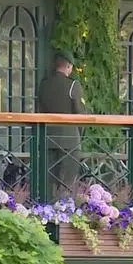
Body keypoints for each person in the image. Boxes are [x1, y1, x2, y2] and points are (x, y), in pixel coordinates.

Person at [36, 51, 86, 200]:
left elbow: (40, 110)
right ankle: (65, 212)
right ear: (69, 66)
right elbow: (81, 114)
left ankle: (45, 209)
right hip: (70, 140)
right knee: (67, 182)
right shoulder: (73, 85)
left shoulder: (44, 85)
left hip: (47, 137)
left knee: (48, 180)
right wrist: (80, 135)